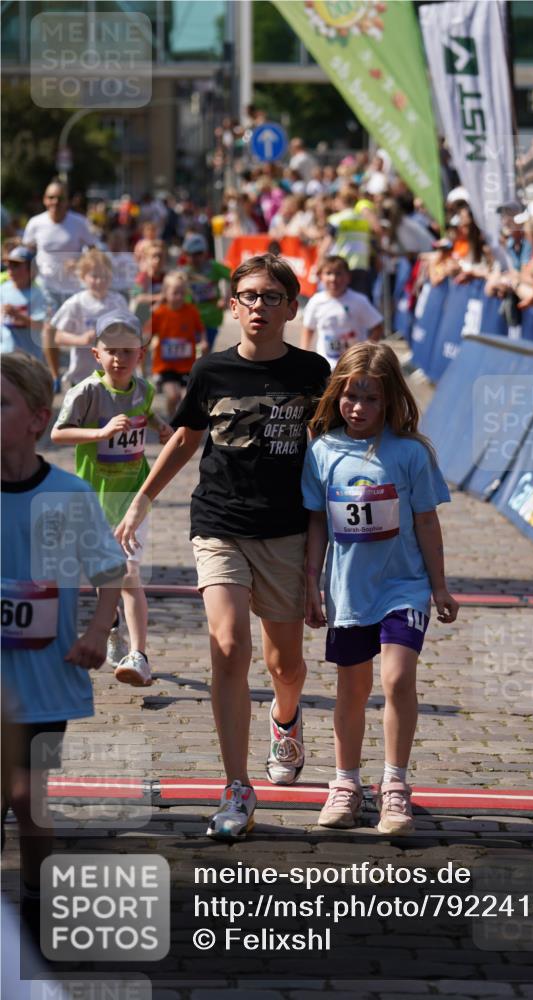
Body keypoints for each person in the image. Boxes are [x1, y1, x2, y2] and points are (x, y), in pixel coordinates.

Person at [115, 254, 330, 840]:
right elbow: (185, 438)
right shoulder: (211, 372)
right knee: (230, 647)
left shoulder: (314, 372)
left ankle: (285, 720)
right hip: (218, 523)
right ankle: (236, 785)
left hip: (285, 530)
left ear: (291, 306)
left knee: (286, 663)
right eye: (249, 297)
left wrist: (330, 547)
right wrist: (142, 500)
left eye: (271, 296)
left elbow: (332, 454)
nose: (259, 306)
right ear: (233, 307)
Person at [301, 342, 459, 834]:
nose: (358, 408)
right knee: (352, 687)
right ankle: (345, 784)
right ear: (336, 396)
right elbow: (317, 524)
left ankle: (395, 786)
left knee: (395, 679)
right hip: (349, 591)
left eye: (371, 399)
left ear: (390, 400)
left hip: (404, 588)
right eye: (350, 396)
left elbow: (428, 524)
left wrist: (440, 587)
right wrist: (312, 581)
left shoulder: (411, 453)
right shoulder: (323, 452)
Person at [1, 353, 125, 935]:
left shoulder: (70, 495)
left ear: (36, 420)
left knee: (30, 802)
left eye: (2, 402)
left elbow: (109, 573)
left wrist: (98, 633)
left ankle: (36, 899)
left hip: (46, 679)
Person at [51, 312, 173, 687]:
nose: (119, 358)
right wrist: (101, 431)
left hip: (133, 496)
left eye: (128, 351)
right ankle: (113, 622)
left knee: (129, 573)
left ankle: (139, 655)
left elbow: (146, 413)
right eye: (111, 351)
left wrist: (162, 428)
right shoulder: (86, 392)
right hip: (92, 498)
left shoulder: (144, 389)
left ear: (141, 353)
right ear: (96, 354)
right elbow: (58, 434)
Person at [22, 180, 97, 390]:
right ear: (45, 200)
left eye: (60, 198)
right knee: (49, 328)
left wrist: (81, 262)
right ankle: (55, 375)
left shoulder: (79, 222)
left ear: (68, 201)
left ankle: (80, 374)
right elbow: (27, 252)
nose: (55, 202)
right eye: (51, 197)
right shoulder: (36, 223)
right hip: (46, 286)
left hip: (75, 287)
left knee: (81, 332)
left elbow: (93, 251)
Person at [51, 248, 128, 387]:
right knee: (85, 408)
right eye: (94, 276)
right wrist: (81, 339)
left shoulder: (118, 302)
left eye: (105, 276)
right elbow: (58, 337)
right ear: (83, 277)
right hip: (82, 376)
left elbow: (129, 331)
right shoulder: (76, 303)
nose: (100, 281)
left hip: (112, 374)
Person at [301, 256, 383, 368]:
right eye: (328, 273)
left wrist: (365, 352)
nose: (333, 278)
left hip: (354, 365)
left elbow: (377, 327)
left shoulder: (359, 301)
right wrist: (303, 356)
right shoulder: (316, 301)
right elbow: (308, 329)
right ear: (320, 277)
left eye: (339, 273)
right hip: (326, 365)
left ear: (348, 277)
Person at [148, 270, 207, 418]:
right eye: (175, 293)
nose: (179, 297)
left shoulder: (191, 311)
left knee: (186, 397)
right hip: (165, 365)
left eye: (182, 293)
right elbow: (148, 333)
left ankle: (181, 422)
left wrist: (204, 341)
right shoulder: (159, 313)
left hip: (187, 365)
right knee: (173, 396)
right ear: (165, 293)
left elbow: (201, 329)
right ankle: (171, 419)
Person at [180, 233, 230, 352]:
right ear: (185, 255)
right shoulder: (183, 271)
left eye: (198, 253)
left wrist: (226, 298)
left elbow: (234, 277)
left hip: (211, 318)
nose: (195, 258)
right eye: (190, 254)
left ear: (205, 252)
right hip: (191, 319)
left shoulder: (214, 267)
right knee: (192, 353)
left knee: (205, 352)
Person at [0, 246, 46, 359]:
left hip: (29, 356)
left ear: (30, 268)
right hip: (5, 353)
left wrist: (17, 315)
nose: (10, 269)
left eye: (16, 265)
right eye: (8, 265)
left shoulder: (37, 294)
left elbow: (40, 325)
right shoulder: (3, 289)